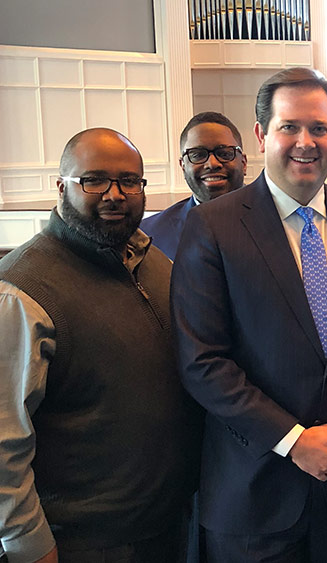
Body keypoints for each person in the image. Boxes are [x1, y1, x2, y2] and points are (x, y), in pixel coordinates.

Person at [170, 67, 327, 563]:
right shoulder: (212, 225)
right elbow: (203, 360)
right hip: (252, 489)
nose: (304, 142)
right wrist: (294, 441)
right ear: (262, 134)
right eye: (289, 127)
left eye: (319, 128)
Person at [0, 128, 194, 563]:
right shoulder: (21, 291)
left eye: (129, 181)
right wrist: (29, 545)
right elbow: (3, 446)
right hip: (83, 543)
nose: (114, 194)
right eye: (94, 180)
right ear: (62, 186)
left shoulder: (153, 260)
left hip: (164, 524)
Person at [140, 111, 247, 259]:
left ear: (244, 162)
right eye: (197, 155)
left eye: (224, 153)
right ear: (183, 166)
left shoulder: (278, 219)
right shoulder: (149, 235)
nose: (212, 164)